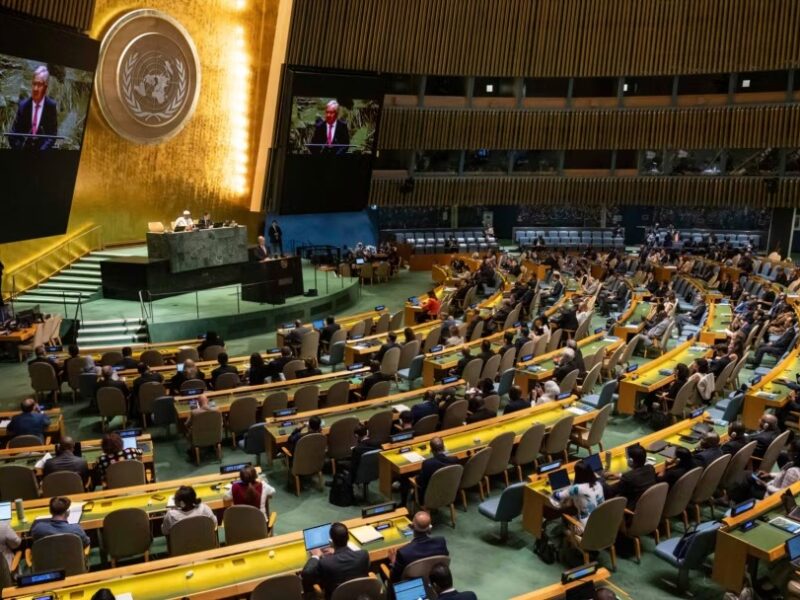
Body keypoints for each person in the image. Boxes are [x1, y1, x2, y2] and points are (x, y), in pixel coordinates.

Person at [300, 522, 369, 599]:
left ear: (331, 541)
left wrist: (315, 556)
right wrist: (336, 552)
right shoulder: (363, 555)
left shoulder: (325, 563)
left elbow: (306, 573)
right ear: (348, 538)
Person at [387, 511, 449, 582]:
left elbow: (394, 579)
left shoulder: (404, 553)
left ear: (412, 526)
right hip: (434, 582)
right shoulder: (441, 543)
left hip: (413, 586)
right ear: (429, 528)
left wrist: (393, 561)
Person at [10, 65, 57, 150]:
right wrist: (20, 150)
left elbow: (52, 135)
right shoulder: (23, 105)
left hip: (42, 155)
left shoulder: (51, 106)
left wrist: (42, 151)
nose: (35, 88)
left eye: (39, 85)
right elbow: (13, 133)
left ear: (45, 87)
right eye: (34, 83)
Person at [552, 459, 605, 527]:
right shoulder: (598, 484)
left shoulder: (576, 488)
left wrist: (555, 492)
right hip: (603, 520)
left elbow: (557, 496)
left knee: (564, 514)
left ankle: (567, 534)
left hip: (586, 526)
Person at [417, 437, 459, 502]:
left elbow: (420, 481)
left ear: (431, 450)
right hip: (449, 491)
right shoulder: (454, 459)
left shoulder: (427, 464)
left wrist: (415, 478)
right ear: (444, 448)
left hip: (430, 496)